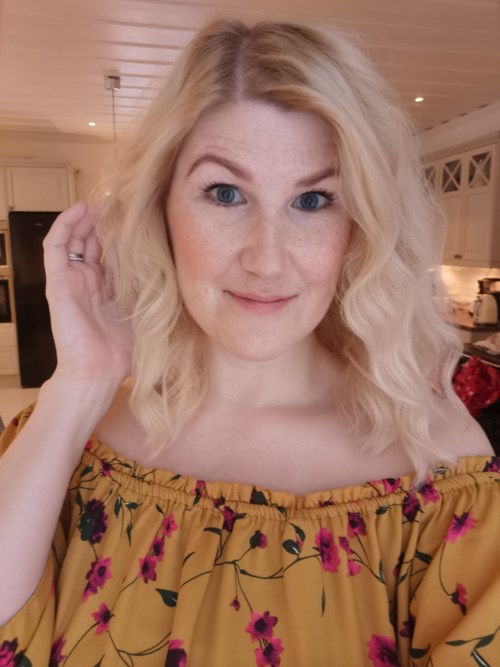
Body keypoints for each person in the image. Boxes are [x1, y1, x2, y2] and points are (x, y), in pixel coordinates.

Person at [0, 19, 498, 667]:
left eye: (313, 200)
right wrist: (79, 383)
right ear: (160, 209)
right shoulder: (70, 438)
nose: (267, 260)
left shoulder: (436, 464)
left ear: (360, 225)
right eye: (225, 193)